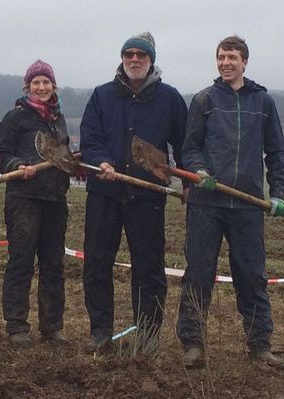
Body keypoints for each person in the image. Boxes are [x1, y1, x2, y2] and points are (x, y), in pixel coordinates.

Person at [177, 35, 284, 369]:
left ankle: (260, 346)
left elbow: (276, 152)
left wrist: (279, 193)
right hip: (206, 203)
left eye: (232, 57)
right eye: (221, 57)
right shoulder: (204, 99)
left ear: (245, 62)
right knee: (198, 274)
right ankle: (193, 344)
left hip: (247, 204)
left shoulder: (263, 102)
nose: (226, 63)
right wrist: (198, 171)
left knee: (251, 276)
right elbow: (189, 147)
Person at [80, 32, 188, 353]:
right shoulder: (102, 96)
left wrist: (190, 183)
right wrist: (101, 161)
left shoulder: (169, 99)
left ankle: (147, 338)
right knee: (97, 265)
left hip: (147, 198)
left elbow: (184, 146)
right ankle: (100, 333)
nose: (135, 60)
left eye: (141, 55)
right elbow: (89, 138)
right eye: (129, 54)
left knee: (149, 270)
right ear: (122, 59)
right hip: (105, 194)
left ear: (151, 60)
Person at [0, 60, 70, 347]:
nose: (41, 87)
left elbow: (63, 154)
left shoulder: (58, 119)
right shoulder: (16, 117)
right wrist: (17, 164)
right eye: (36, 83)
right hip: (23, 199)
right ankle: (17, 325)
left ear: (53, 86)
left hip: (54, 199)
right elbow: (1, 154)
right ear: (28, 87)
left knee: (53, 264)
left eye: (46, 82)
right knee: (21, 262)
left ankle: (52, 327)